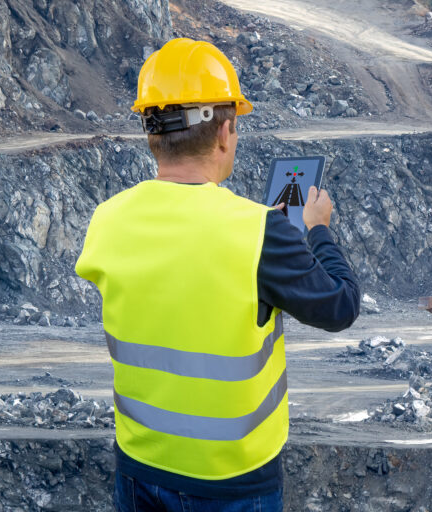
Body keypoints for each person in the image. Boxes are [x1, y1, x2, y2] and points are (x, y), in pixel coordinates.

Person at [75, 38, 360, 511]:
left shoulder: (107, 219)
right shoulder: (261, 232)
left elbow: (175, 275)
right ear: (226, 132)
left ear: (152, 135)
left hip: (139, 467)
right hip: (233, 483)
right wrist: (317, 232)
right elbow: (340, 306)